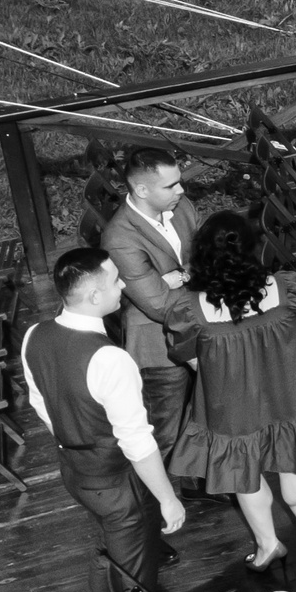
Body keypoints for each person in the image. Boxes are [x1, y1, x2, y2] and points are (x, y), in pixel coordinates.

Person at [21, 247, 189, 592]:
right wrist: (168, 499)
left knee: (112, 554)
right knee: (137, 584)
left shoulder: (34, 335)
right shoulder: (111, 359)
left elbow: (40, 402)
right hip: (116, 482)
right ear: (95, 296)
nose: (122, 285)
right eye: (115, 280)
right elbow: (138, 442)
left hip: (74, 472)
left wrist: (75, 434)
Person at [168, 210, 296, 571]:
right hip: (287, 392)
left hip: (232, 406)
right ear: (252, 248)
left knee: (244, 476)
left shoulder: (192, 308)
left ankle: (268, 545)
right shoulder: (284, 287)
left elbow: (187, 355)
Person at [94, 145, 202, 454]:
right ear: (141, 189)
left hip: (196, 324)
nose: (181, 189)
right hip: (158, 347)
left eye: (179, 181)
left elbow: (207, 258)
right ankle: (159, 500)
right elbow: (158, 304)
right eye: (170, 185)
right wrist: (187, 278)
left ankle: (198, 484)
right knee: (165, 433)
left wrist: (176, 276)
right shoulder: (120, 237)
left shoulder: (181, 207)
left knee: (200, 419)